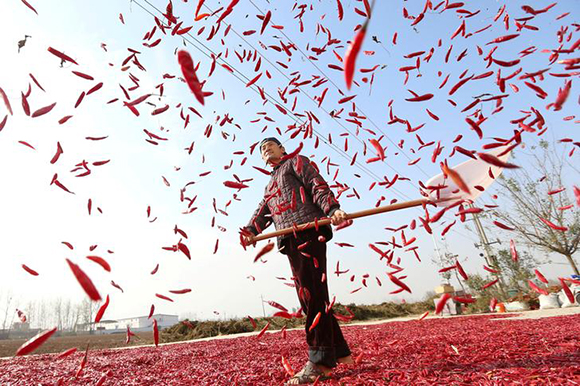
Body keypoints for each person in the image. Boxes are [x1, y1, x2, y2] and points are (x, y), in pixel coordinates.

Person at [240, 137, 353, 384]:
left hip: (308, 231)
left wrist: (332, 210)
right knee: (311, 296)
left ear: (282, 148)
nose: (265, 149)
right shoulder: (270, 184)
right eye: (261, 149)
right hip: (289, 239)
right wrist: (251, 230)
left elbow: (316, 185)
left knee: (311, 295)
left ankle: (320, 362)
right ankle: (340, 352)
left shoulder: (296, 163)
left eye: (270, 145)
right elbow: (264, 211)